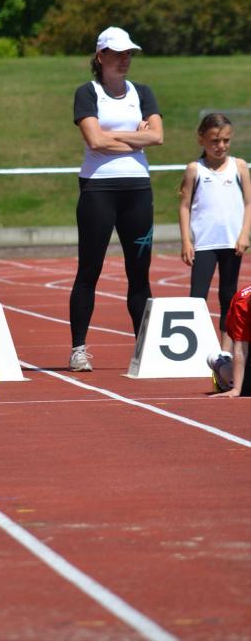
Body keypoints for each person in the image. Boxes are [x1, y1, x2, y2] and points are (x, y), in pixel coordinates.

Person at [69, 26, 164, 372]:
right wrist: (134, 139)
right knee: (89, 270)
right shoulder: (87, 92)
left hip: (137, 189)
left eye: (129, 54)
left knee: (139, 273)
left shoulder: (143, 92)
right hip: (98, 189)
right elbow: (94, 141)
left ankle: (146, 347)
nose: (125, 60)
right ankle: (78, 349)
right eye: (118, 54)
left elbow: (157, 137)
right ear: (101, 56)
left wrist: (114, 136)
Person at [179, 112, 251, 349]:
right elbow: (185, 206)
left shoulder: (239, 167)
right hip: (204, 244)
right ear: (201, 139)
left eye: (225, 140)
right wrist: (186, 241)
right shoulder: (195, 169)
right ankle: (194, 348)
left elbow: (249, 203)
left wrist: (244, 234)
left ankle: (225, 352)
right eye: (214, 141)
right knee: (197, 296)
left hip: (232, 242)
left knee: (228, 297)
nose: (221, 146)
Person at [208, 283, 251, 397]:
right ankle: (220, 362)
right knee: (246, 389)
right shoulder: (242, 307)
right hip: (243, 333)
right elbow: (241, 350)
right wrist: (236, 389)